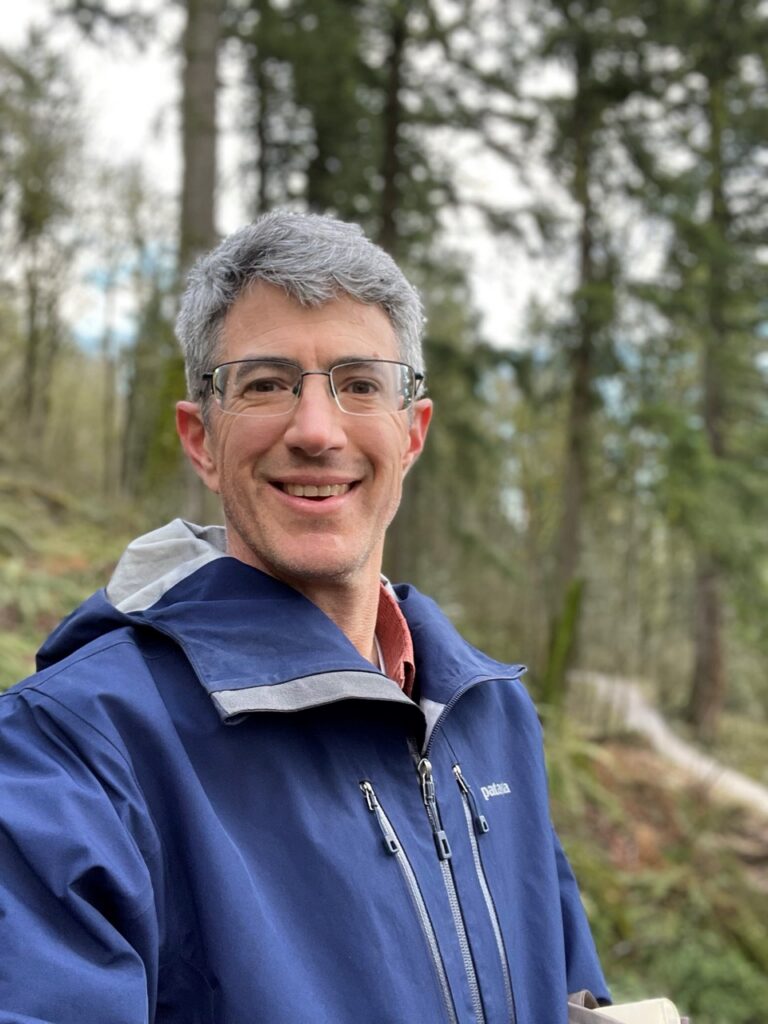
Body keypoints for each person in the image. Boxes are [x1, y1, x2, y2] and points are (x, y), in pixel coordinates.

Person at [0, 211, 610, 1024]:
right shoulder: (73, 753)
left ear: (412, 432)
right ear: (201, 439)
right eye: (265, 384)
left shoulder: (490, 716)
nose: (316, 431)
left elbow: (568, 997)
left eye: (360, 384)